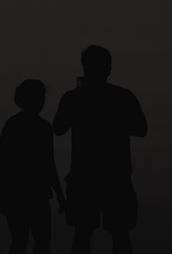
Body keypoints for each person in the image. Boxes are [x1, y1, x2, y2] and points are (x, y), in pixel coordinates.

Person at [52, 46, 147, 254]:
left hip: (85, 176)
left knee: (83, 234)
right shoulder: (122, 96)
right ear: (109, 69)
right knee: (119, 235)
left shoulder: (74, 98)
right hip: (116, 176)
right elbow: (141, 129)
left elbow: (58, 128)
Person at [0, 79, 66, 254]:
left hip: (29, 194)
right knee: (30, 241)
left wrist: (59, 194)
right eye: (38, 98)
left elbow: (48, 164)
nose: (41, 102)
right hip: (25, 194)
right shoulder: (38, 127)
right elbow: (48, 165)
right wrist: (59, 195)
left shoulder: (18, 125)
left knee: (27, 241)